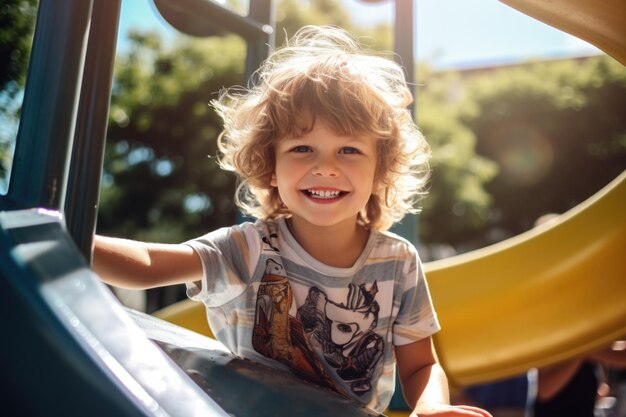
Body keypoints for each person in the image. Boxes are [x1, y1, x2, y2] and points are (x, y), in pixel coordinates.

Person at [93, 25, 491, 417]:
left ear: (381, 170)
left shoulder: (397, 262)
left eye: (349, 149)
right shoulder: (248, 249)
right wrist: (67, 238)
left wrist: (433, 406)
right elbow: (148, 265)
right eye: (303, 148)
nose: (326, 167)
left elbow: (421, 364)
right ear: (270, 166)